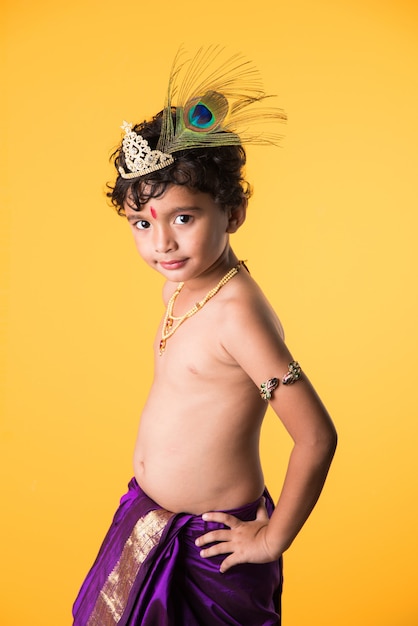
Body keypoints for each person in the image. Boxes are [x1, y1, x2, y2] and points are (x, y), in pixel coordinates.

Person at [72, 48, 337, 626]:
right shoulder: (183, 285)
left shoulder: (238, 314)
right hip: (148, 522)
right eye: (143, 223)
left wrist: (269, 540)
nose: (161, 243)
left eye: (184, 218)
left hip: (209, 548)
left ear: (234, 213)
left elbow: (315, 436)